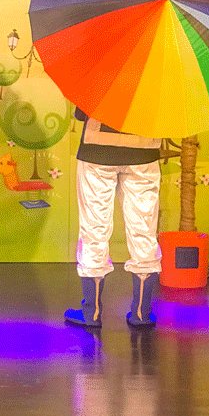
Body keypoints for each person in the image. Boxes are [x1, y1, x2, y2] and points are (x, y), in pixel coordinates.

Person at [65, 108, 162, 329]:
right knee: (144, 231)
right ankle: (141, 312)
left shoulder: (98, 81)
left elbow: (81, 113)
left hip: (97, 152)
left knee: (94, 230)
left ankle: (91, 313)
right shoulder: (160, 84)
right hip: (144, 153)